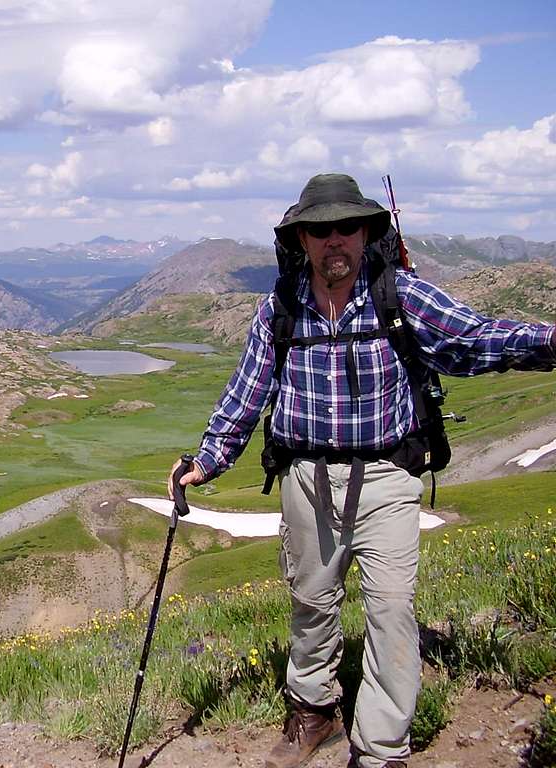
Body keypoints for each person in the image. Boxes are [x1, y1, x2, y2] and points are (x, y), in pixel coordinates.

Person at [167, 173, 556, 768]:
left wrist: (549, 340)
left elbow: (476, 340)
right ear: (300, 239)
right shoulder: (279, 308)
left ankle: (380, 749)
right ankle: (313, 711)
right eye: (319, 230)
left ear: (368, 230)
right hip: (305, 480)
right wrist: (209, 459)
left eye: (346, 226)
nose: (334, 241)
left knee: (392, 607)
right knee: (312, 601)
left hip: (386, 479)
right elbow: (247, 391)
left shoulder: (402, 296)